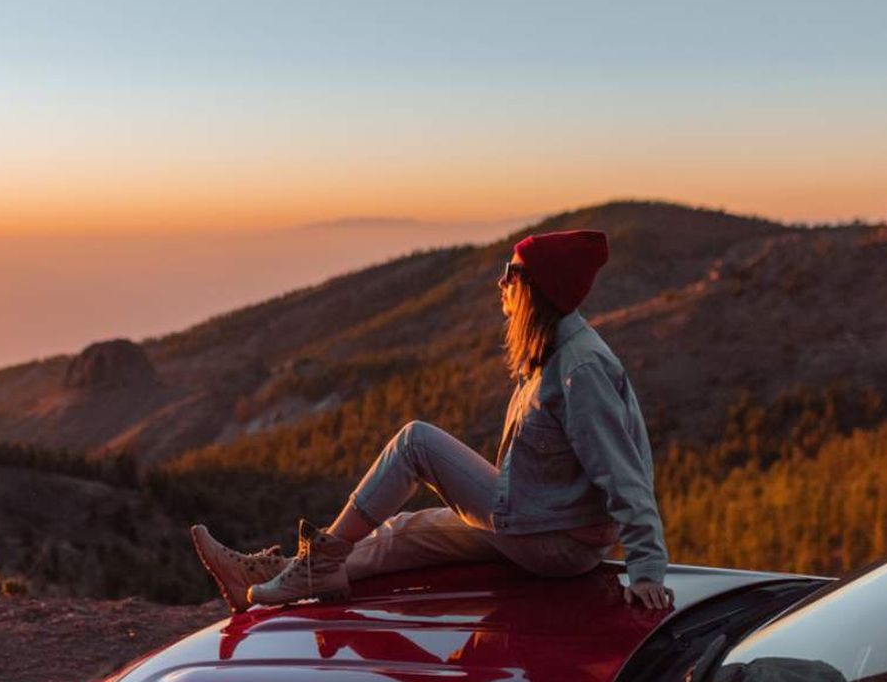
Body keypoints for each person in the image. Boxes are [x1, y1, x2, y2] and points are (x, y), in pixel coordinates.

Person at [191, 229, 674, 611]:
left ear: (537, 288)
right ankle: (272, 575)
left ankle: (316, 563)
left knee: (415, 442)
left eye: (512, 272)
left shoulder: (580, 370)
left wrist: (648, 570)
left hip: (554, 543)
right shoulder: (553, 352)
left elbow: (624, 474)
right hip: (539, 524)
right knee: (402, 533)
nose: (501, 282)